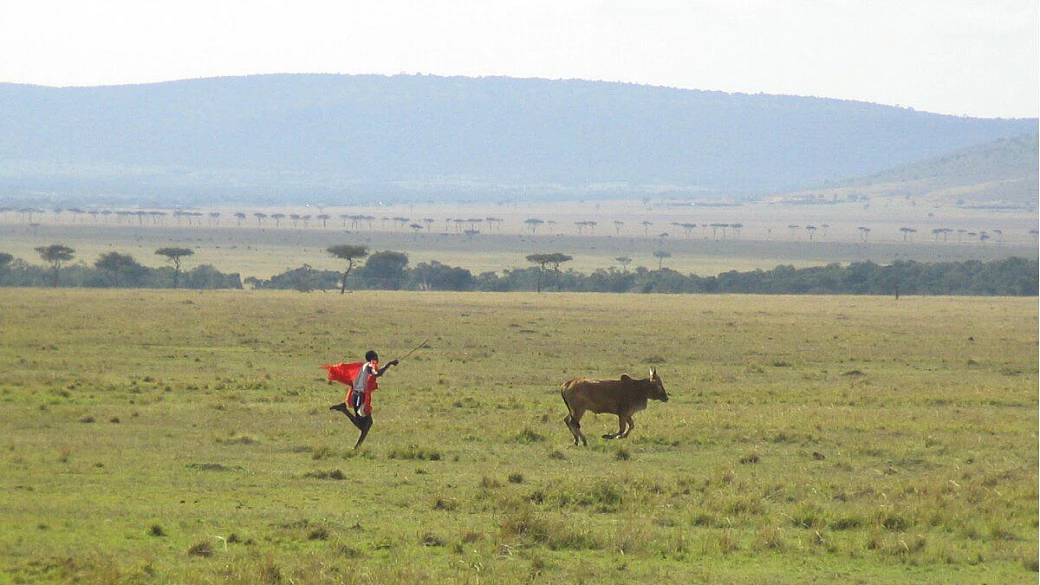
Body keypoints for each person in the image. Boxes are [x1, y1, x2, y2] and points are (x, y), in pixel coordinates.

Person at [328, 350, 398, 449]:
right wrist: (389, 364)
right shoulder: (370, 366)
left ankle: (357, 446)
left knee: (365, 424)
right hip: (360, 397)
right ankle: (356, 447)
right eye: (376, 357)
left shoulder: (363, 367)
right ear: (373, 357)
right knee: (366, 424)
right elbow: (376, 373)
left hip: (356, 396)